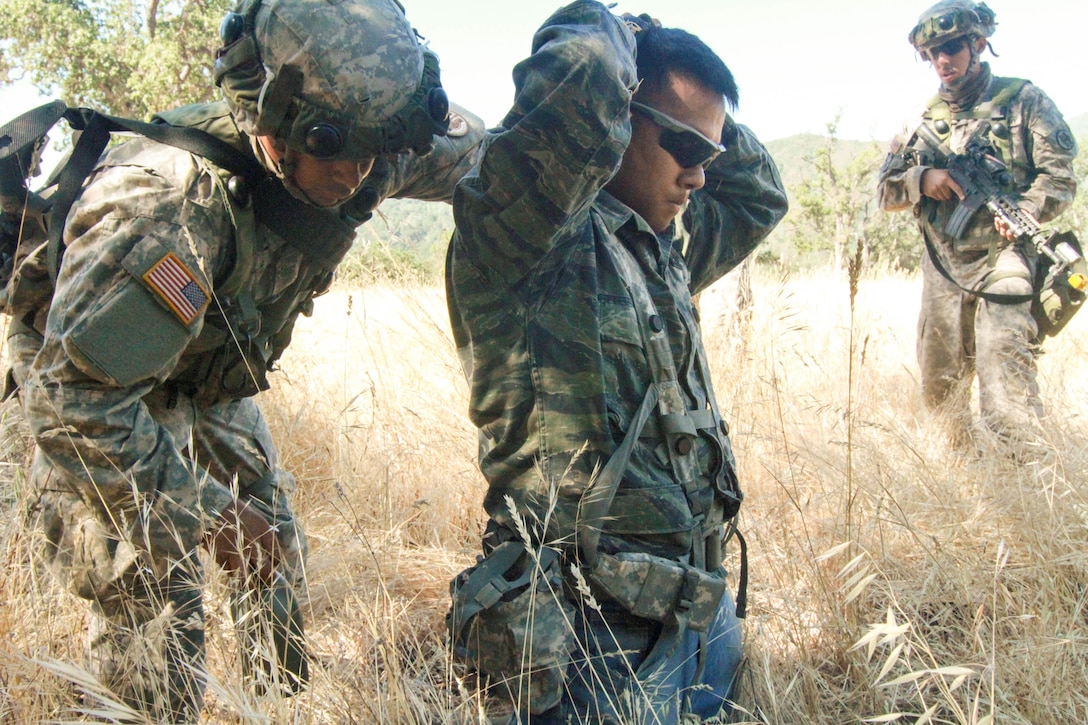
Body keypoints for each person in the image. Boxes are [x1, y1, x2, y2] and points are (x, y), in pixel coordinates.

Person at [2, 0, 483, 719]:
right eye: (333, 145)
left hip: (202, 371)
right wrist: (208, 517)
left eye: (378, 147)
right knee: (156, 598)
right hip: (97, 394)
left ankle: (271, 702)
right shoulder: (165, 207)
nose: (355, 172)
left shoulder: (370, 145)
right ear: (273, 123)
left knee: (272, 543)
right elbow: (74, 406)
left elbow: (491, 155)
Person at [445, 2, 787, 722]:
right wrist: (622, 38)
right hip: (591, 638)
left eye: (708, 158)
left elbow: (760, 194)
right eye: (685, 149)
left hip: (698, 613)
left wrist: (701, 126)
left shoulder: (660, 247)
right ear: (615, 119)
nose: (699, 177)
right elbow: (583, 74)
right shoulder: (533, 241)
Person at [877, 0, 1078, 456]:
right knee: (940, 384)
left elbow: (1061, 177)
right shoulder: (920, 121)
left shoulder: (1024, 101)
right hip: (943, 268)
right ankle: (962, 479)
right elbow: (885, 191)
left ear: (978, 43)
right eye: (932, 54)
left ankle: (1022, 481)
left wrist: (1025, 208)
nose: (942, 61)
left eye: (950, 48)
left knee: (1006, 379)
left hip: (1003, 261)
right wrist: (922, 180)